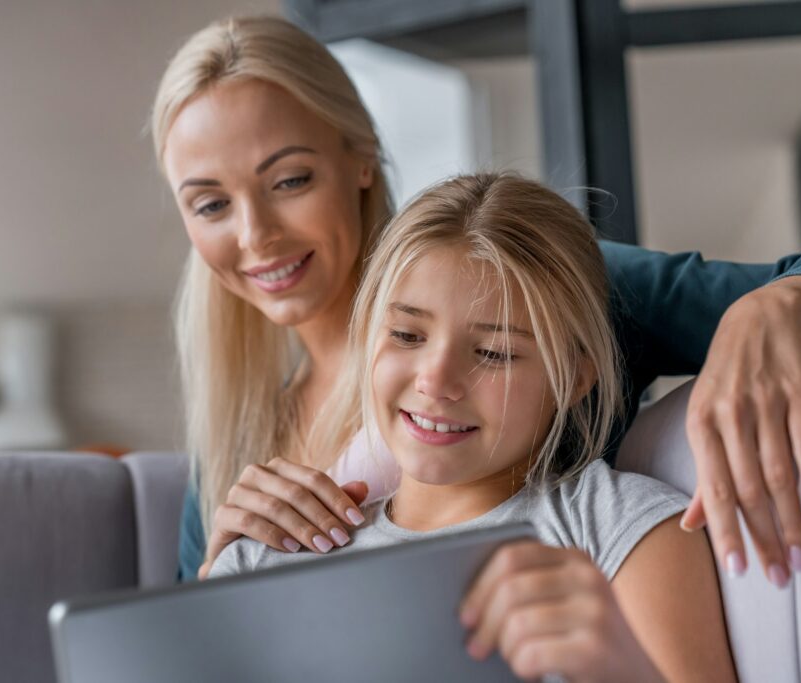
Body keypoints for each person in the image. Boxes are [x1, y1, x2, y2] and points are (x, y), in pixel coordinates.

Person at [151, 16, 801, 585]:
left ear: (360, 155)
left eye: (289, 180)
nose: (256, 235)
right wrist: (224, 566)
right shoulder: (234, 433)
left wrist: (774, 305)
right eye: (210, 202)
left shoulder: (535, 285)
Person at [209, 172, 737, 682]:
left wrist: (617, 670)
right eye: (406, 335)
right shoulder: (263, 558)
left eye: (494, 352)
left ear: (575, 378)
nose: (435, 381)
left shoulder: (621, 530)